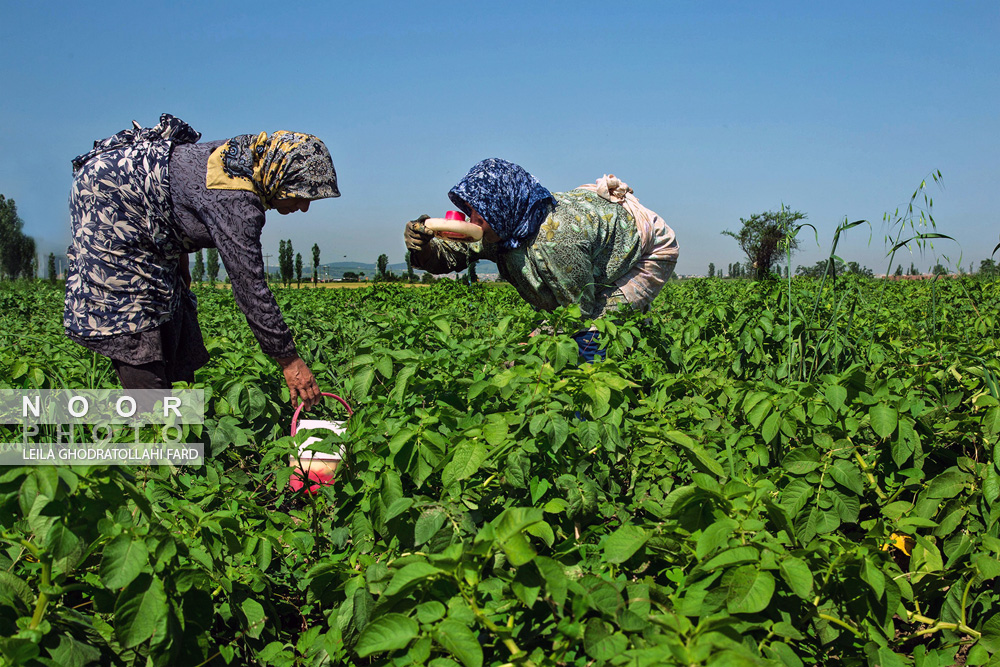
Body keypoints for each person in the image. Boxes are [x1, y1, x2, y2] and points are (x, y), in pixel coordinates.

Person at [64, 114, 339, 409]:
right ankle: (154, 430)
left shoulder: (246, 164)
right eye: (302, 194)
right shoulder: (235, 199)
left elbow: (172, 201)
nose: (304, 206)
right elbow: (249, 286)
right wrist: (289, 360)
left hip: (137, 207)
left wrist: (180, 273)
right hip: (107, 205)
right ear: (282, 176)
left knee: (175, 304)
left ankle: (180, 421)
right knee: (136, 319)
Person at [404, 158, 679, 360]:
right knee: (590, 321)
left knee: (591, 332)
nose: (472, 221)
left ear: (501, 208)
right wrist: (423, 246)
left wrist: (536, 343)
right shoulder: (504, 227)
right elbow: (449, 259)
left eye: (480, 213)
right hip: (597, 234)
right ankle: (637, 339)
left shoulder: (555, 240)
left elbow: (578, 312)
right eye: (470, 211)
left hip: (649, 248)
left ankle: (593, 404)